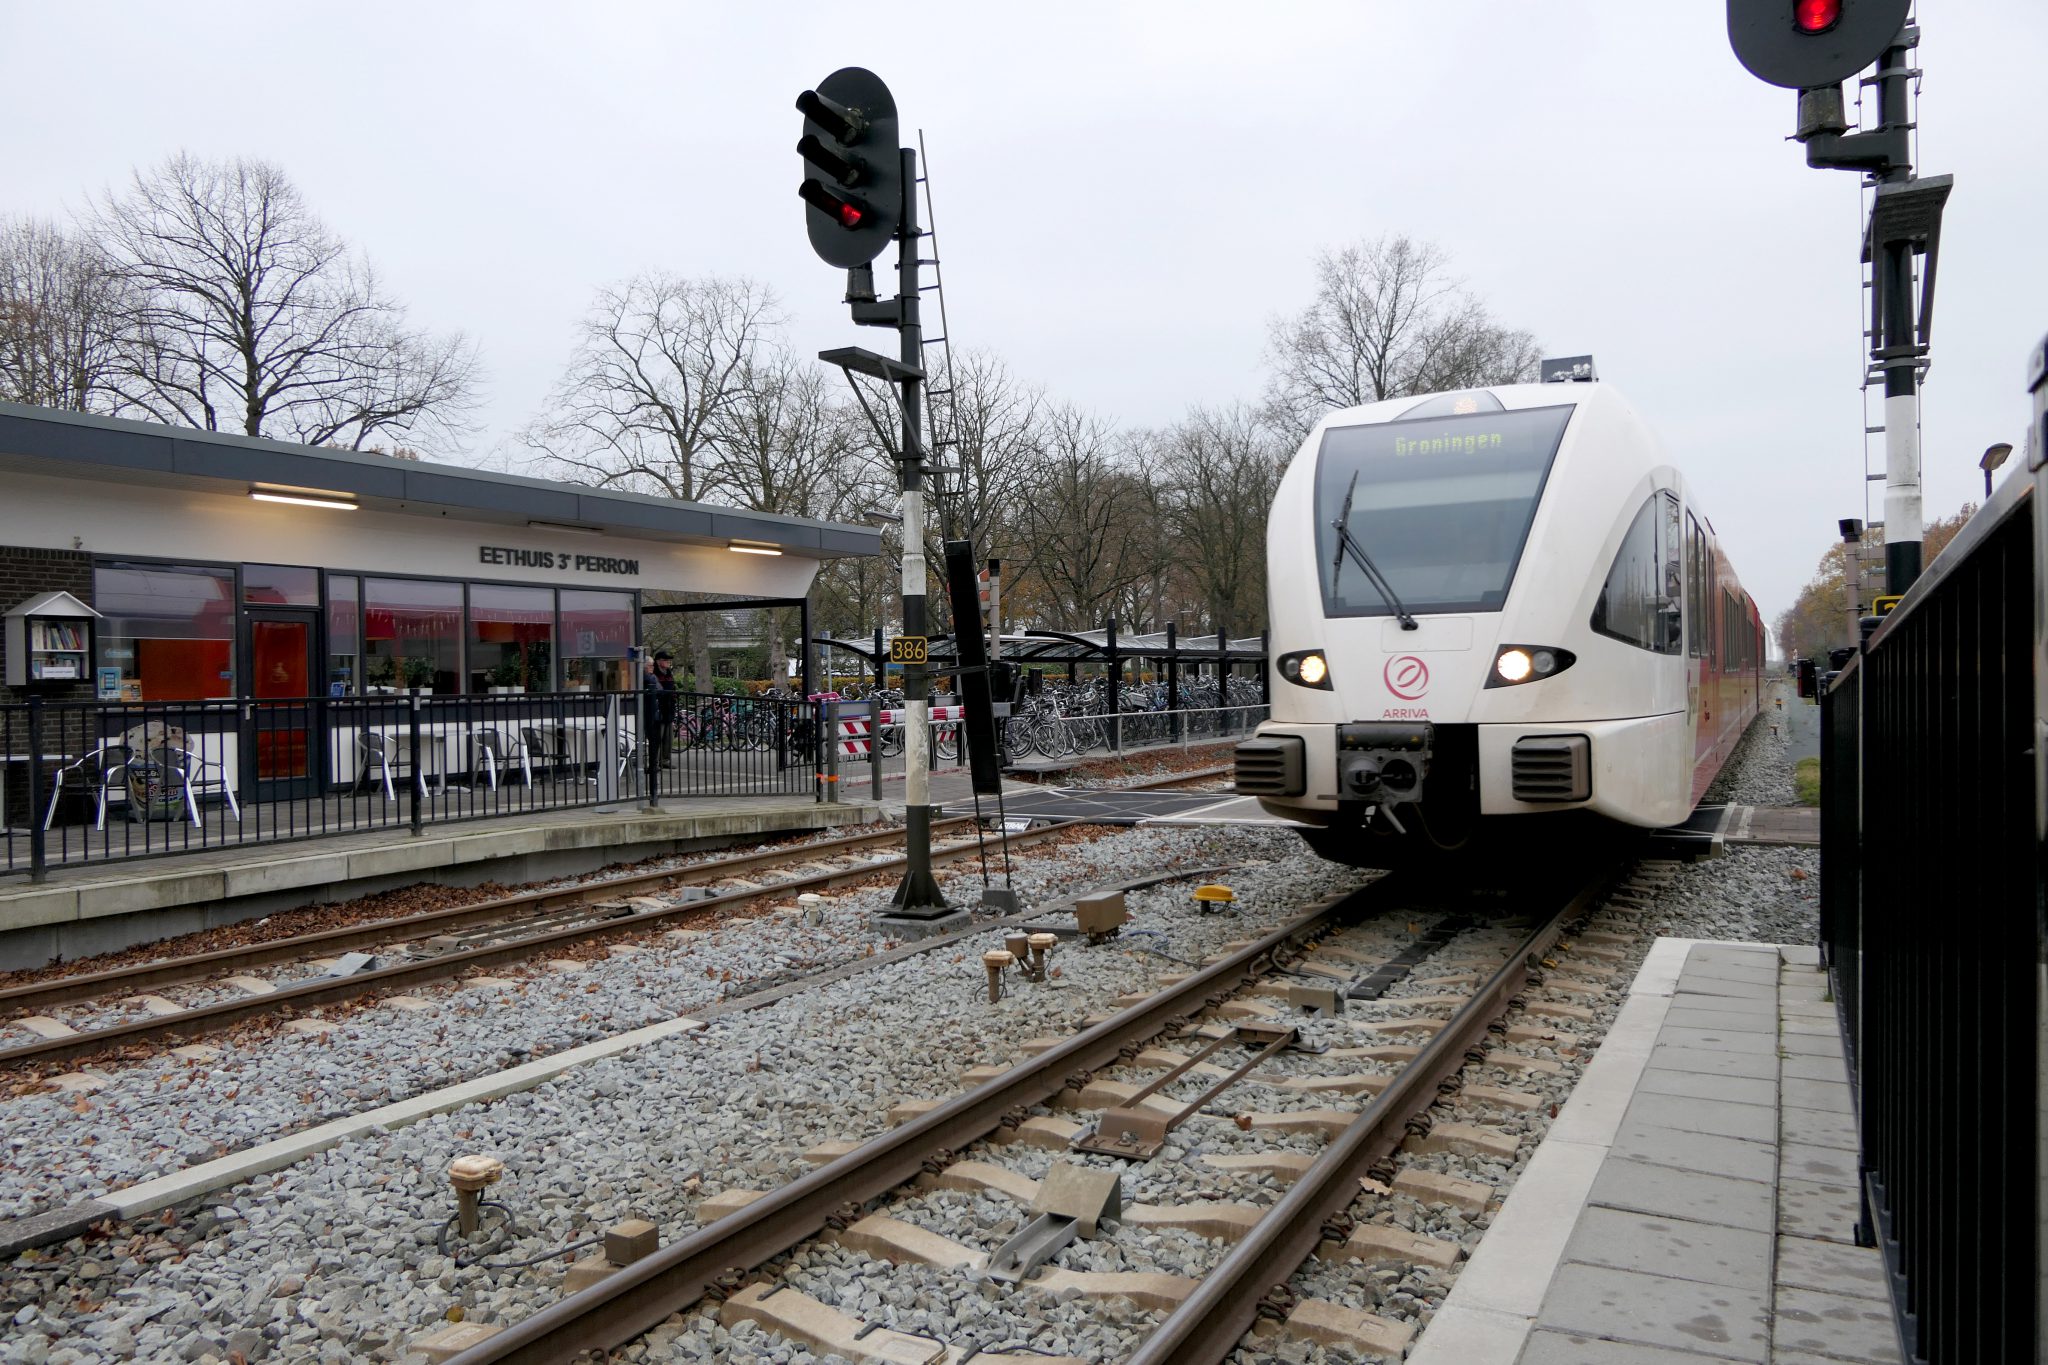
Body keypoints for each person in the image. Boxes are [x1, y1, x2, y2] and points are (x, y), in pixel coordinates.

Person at [643, 649, 679, 774]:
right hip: (660, 708)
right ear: (659, 661)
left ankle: (665, 760)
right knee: (658, 736)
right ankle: (655, 762)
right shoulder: (654, 674)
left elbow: (672, 688)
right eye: (665, 660)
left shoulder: (668, 672)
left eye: (669, 660)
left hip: (669, 708)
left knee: (668, 736)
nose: (668, 662)